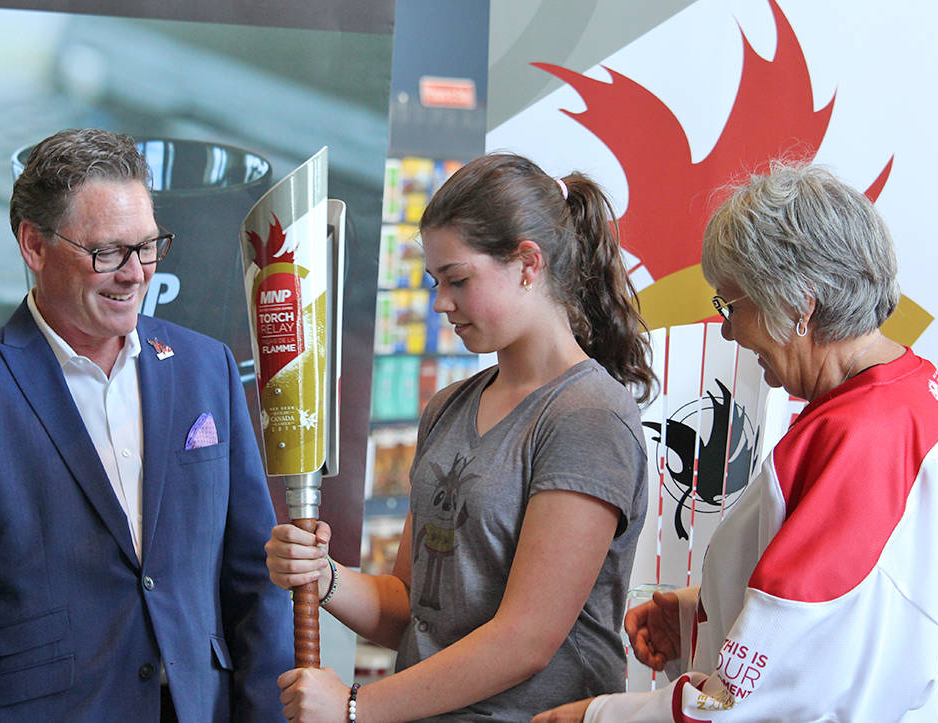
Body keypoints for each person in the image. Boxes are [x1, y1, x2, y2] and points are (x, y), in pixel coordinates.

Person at [534, 162, 938, 722]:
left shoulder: (857, 438)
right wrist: (703, 610)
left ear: (800, 304)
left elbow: (768, 689)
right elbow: (868, 608)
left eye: (731, 303)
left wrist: (595, 717)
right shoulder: (919, 392)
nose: (726, 329)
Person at [0, 128, 293, 721]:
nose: (135, 274)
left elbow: (254, 580)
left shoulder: (208, 367)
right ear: (34, 245)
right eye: (107, 252)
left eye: (149, 247)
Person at [267, 152, 658, 721]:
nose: (441, 302)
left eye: (458, 280)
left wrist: (356, 707)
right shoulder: (448, 408)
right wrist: (323, 576)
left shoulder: (588, 415)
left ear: (528, 263)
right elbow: (411, 606)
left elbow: (526, 640)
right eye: (435, 281)